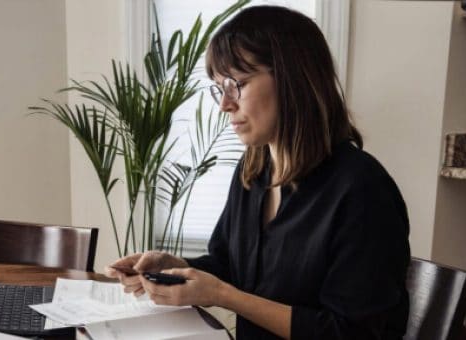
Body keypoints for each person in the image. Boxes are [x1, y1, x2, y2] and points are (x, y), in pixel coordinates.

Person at [105, 5, 410, 340]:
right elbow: (227, 267)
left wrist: (223, 295)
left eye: (238, 84)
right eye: (219, 87)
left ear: (293, 79)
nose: (224, 104)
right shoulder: (253, 172)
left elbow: (351, 333)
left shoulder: (362, 190)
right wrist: (169, 265)